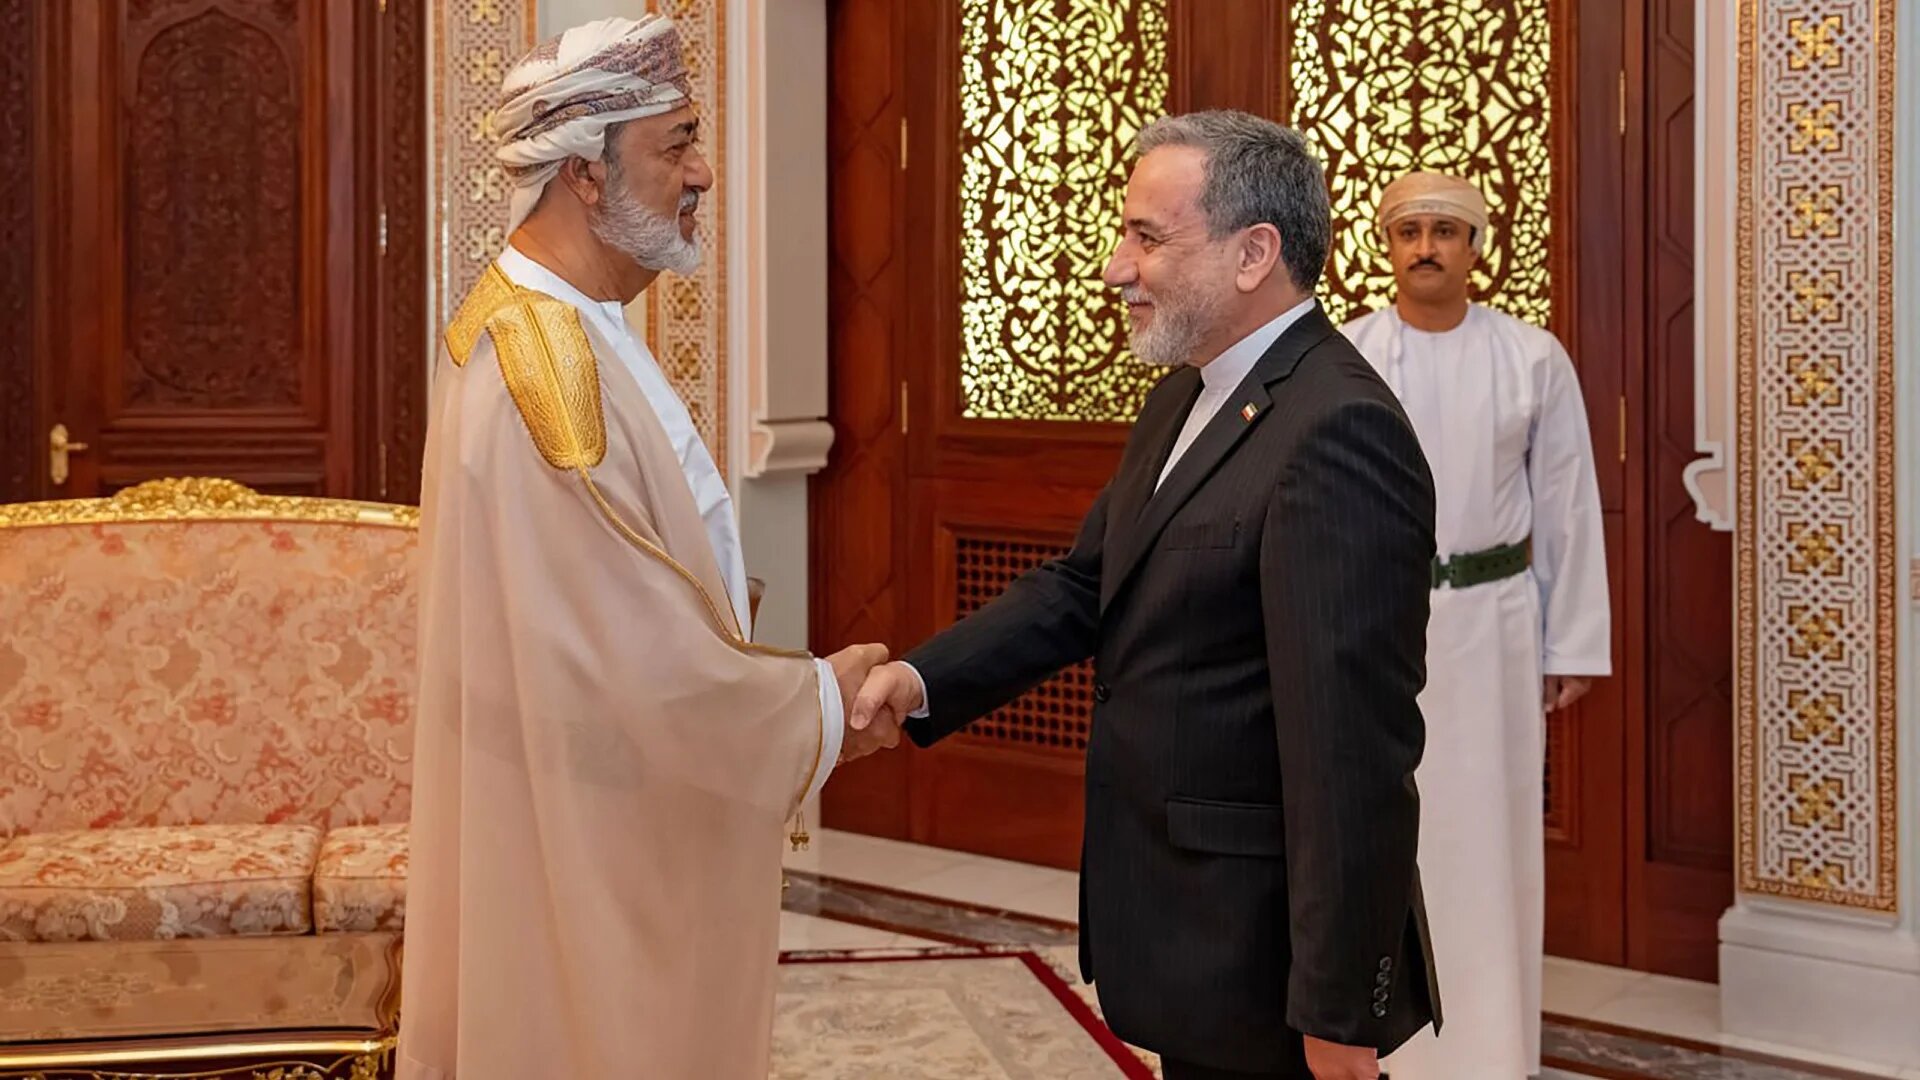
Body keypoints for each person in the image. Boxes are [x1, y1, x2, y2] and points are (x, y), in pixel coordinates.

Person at [853, 110, 1440, 1080]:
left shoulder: (1338, 429)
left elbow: (1351, 758)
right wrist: (923, 680)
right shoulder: (1185, 393)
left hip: (1265, 966)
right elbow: (1089, 583)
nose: (1115, 268)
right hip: (1186, 935)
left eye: (1147, 238)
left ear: (1254, 254)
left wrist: (1341, 1015)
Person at [396, 16, 893, 1079]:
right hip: (596, 834)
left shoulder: (564, 322)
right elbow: (629, 659)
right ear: (585, 173)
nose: (703, 172)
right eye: (677, 144)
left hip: (595, 802)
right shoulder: (543, 366)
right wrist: (817, 705)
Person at [1344, 171, 1612, 1080]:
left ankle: (1493, 1051)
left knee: (1490, 839)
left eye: (1445, 231)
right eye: (1410, 230)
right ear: (1387, 244)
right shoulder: (1347, 357)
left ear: (1475, 247)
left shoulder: (1532, 358)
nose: (1426, 247)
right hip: (1379, 627)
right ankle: (1381, 1045)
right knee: (1384, 831)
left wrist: (1571, 643)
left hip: (1496, 628)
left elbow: (1568, 504)